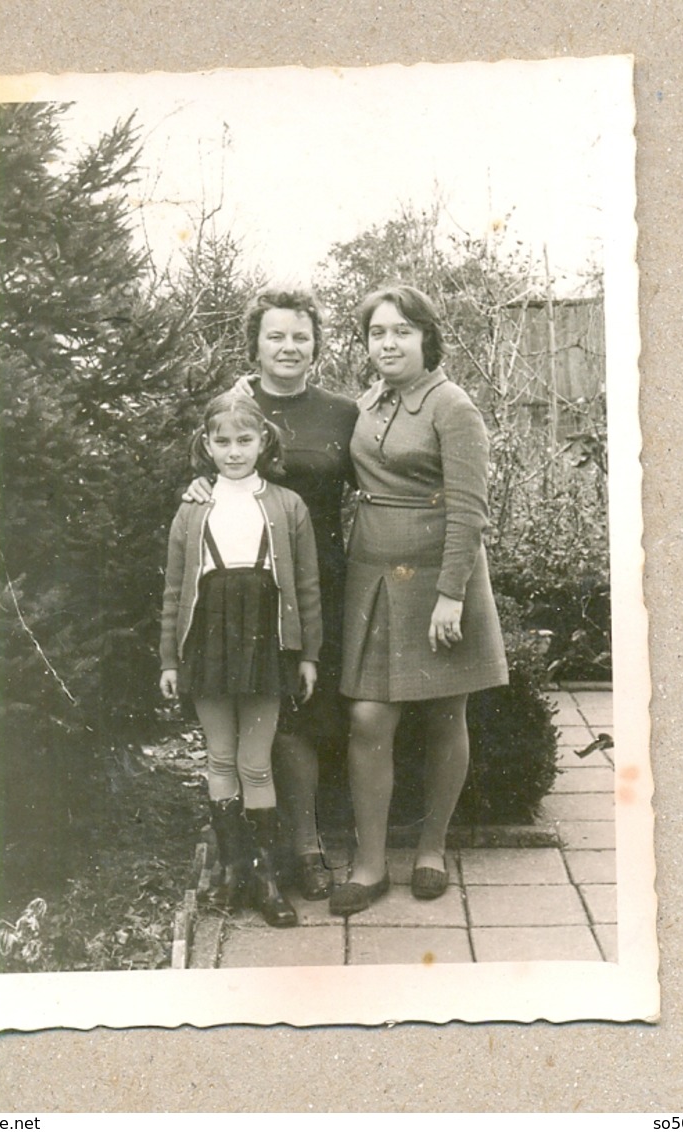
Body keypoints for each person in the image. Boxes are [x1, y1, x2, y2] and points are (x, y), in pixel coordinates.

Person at [329, 284, 509, 917]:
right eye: (377, 333)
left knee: (444, 715)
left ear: (426, 337)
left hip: (439, 579)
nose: (388, 343)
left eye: (401, 332)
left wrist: (450, 596)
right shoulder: (369, 404)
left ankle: (432, 848)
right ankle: (372, 863)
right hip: (373, 575)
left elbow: (470, 509)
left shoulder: (452, 406)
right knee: (369, 719)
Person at [185, 289, 358, 900]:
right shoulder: (236, 408)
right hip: (247, 587)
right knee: (260, 721)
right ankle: (264, 856)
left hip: (323, 578)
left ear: (317, 344)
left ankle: (307, 847)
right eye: (276, 336)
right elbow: (208, 468)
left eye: (301, 336)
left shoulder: (342, 412)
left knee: (307, 713)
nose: (290, 347)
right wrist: (197, 491)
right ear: (255, 343)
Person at [160, 391, 322, 928]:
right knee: (220, 758)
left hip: (265, 640)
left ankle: (266, 876)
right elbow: (174, 591)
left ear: (263, 443)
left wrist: (309, 655)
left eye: (244, 440)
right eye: (222, 442)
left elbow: (306, 586)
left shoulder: (286, 504)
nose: (233, 452)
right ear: (206, 445)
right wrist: (169, 660)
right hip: (208, 638)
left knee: (256, 761)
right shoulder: (192, 507)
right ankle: (233, 870)